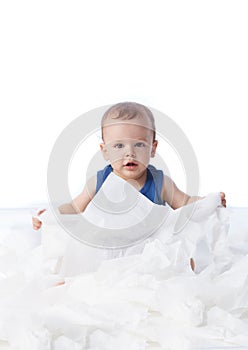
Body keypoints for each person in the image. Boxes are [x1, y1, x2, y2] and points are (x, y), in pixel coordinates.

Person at [33, 101, 226, 232]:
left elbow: (185, 204)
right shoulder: (100, 181)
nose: (130, 153)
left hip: (151, 247)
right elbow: (75, 207)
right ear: (105, 151)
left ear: (153, 148)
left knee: (181, 255)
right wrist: (51, 215)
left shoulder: (160, 183)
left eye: (139, 144)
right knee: (74, 261)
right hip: (113, 244)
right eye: (119, 145)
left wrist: (209, 201)